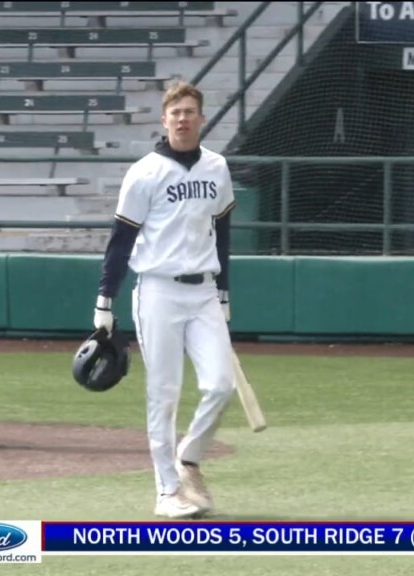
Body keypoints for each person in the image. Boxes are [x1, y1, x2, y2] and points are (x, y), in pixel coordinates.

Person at [92, 81, 236, 519]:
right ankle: (166, 492)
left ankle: (188, 457)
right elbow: (121, 241)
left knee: (220, 385)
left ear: (201, 118)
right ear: (164, 120)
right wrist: (105, 300)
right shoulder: (145, 172)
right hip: (157, 290)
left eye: (190, 111)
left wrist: (225, 291)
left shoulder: (217, 167)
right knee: (165, 393)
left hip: (205, 290)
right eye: (176, 112)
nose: (183, 118)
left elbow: (223, 231)